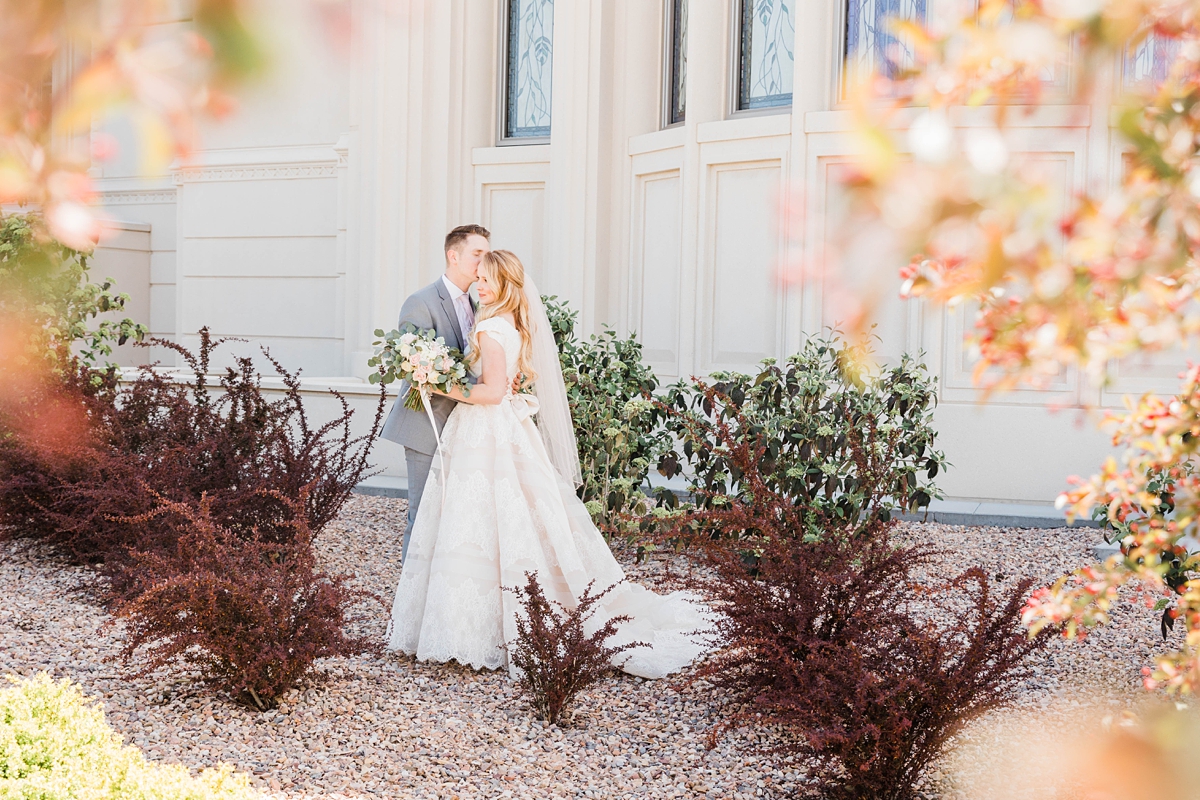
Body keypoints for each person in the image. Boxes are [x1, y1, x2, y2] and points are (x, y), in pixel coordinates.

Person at [386, 249, 709, 679]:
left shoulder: (489, 327)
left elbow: (493, 392)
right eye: (478, 278)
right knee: (496, 519)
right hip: (500, 431)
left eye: (487, 280)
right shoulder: (514, 325)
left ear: (505, 285)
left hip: (485, 430)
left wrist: (439, 383)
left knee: (476, 520)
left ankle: (476, 629)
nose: (479, 286)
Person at [379, 224, 490, 563]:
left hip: (465, 426)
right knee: (422, 513)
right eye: (477, 254)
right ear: (453, 256)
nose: (484, 262)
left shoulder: (478, 303)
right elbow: (416, 370)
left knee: (454, 516)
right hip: (427, 425)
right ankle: (409, 597)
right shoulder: (421, 302)